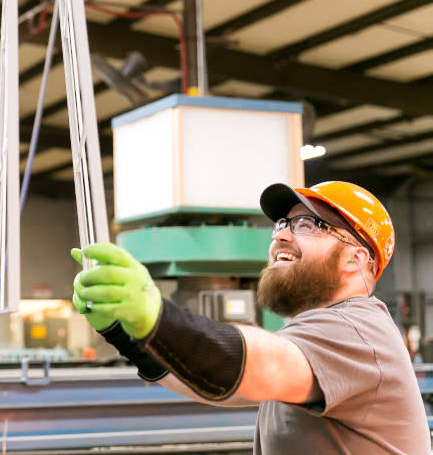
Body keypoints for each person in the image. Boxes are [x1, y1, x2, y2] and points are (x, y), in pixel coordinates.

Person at [72, 181, 429, 454]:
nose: (282, 234)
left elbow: (258, 365)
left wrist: (158, 318)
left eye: (307, 224)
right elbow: (222, 389)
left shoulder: (357, 330)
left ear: (355, 259)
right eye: (283, 224)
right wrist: (126, 335)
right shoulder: (314, 330)